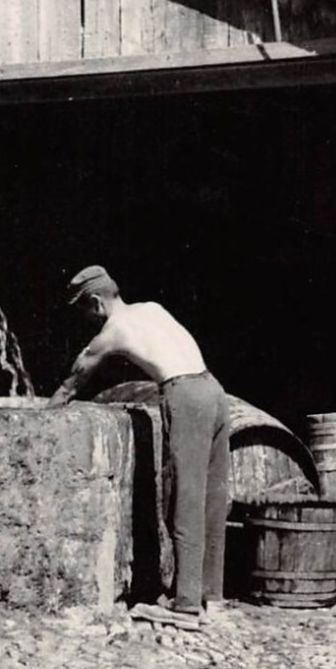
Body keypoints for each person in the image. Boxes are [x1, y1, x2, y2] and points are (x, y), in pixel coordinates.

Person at [47, 266, 229, 631]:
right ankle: (211, 597)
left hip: (186, 396)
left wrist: (44, 415)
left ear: (96, 303)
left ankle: (186, 608)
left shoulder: (111, 332)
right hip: (215, 391)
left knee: (186, 499)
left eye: (84, 312)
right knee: (212, 497)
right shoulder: (152, 308)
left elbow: (73, 381)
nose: (87, 321)